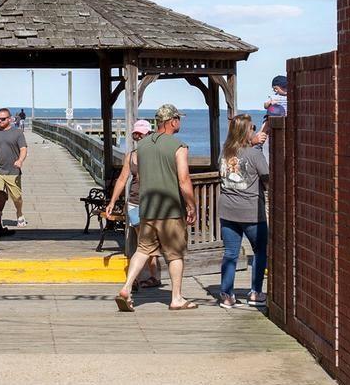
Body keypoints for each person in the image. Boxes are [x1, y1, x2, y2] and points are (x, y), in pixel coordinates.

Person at [112, 104, 198, 312]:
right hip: (170, 209)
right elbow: (184, 179)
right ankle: (176, 298)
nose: (180, 123)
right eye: (179, 119)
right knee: (175, 254)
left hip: (147, 208)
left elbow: (135, 175)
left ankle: (126, 288)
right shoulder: (179, 146)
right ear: (172, 121)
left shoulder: (140, 147)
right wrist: (191, 205)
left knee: (143, 249)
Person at [217, 114, 269, 309]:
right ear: (246, 131)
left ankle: (226, 294)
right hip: (251, 211)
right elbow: (267, 177)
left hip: (227, 210)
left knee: (230, 253)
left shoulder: (224, 153)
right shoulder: (255, 154)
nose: (254, 131)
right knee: (260, 251)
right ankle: (255, 292)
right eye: (252, 128)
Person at [105, 118, 160, 289]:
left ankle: (142, 277)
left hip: (153, 203)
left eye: (141, 134)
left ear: (149, 135)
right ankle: (149, 276)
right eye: (136, 135)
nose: (138, 138)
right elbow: (122, 179)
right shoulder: (131, 156)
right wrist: (112, 201)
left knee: (147, 241)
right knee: (145, 241)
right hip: (135, 202)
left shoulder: (157, 154)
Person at [0, 107, 29, 227]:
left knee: (17, 197)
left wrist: (20, 160)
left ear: (10, 119)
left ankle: (19, 213)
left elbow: (23, 149)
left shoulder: (17, 133)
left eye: (2, 119)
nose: (0, 121)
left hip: (13, 171)